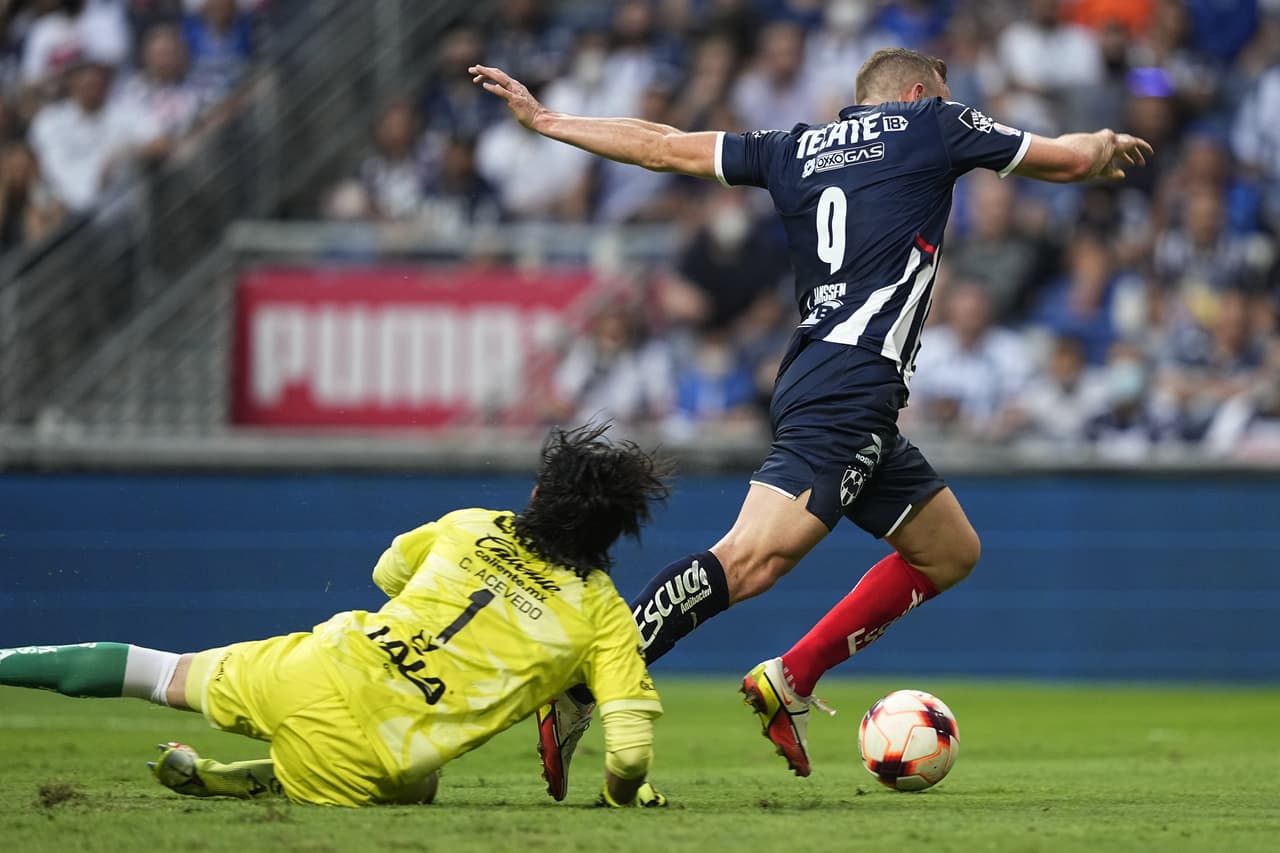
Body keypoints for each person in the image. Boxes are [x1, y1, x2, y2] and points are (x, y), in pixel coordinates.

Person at [472, 46, 1153, 789]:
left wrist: (549, 120)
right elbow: (1063, 161)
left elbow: (663, 147)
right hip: (846, 386)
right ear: (921, 91)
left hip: (834, 379)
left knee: (949, 550)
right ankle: (576, 689)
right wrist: (1101, 146)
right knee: (750, 560)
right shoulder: (934, 123)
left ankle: (789, 677)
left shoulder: (792, 146)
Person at [0, 425, 671, 808]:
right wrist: (617, 795)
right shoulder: (602, 615)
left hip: (313, 664)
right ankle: (264, 774)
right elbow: (632, 751)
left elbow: (385, 573)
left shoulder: (470, 524)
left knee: (159, 670)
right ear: (614, 533)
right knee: (417, 783)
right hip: (369, 756)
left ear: (537, 494)